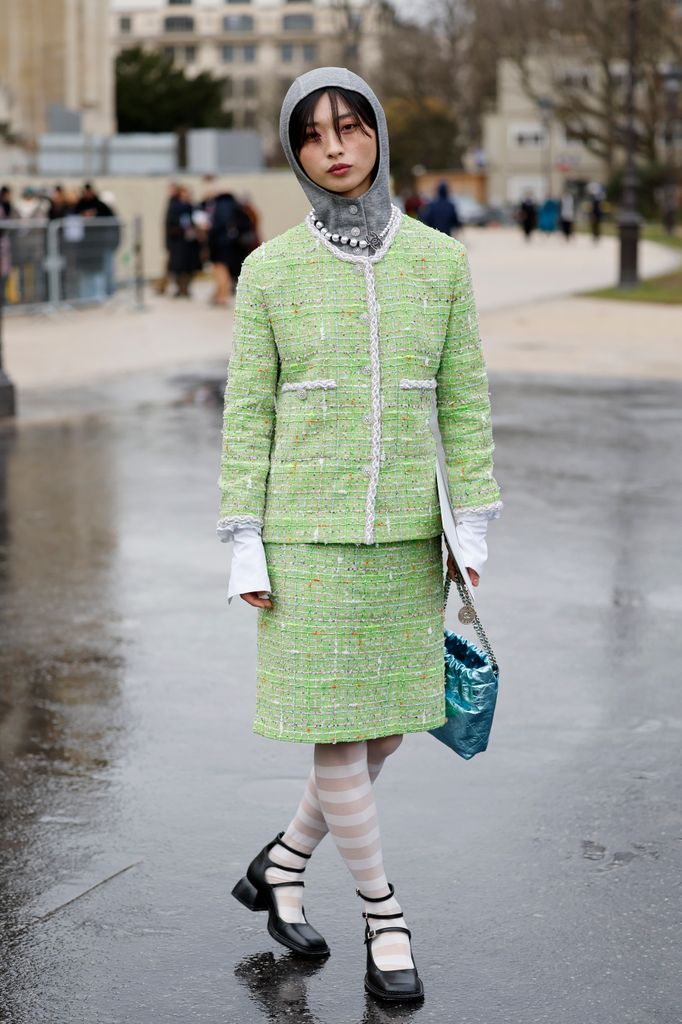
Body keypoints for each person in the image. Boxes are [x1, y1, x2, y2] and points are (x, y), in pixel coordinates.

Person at [217, 67, 502, 1004]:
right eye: (312, 135)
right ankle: (386, 916)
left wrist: (471, 517)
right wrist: (243, 539)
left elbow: (463, 401)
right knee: (337, 737)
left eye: (349, 127)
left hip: (410, 542)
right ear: (295, 153)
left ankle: (283, 864)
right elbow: (247, 411)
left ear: (377, 131)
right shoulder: (269, 271)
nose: (334, 148)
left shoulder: (440, 261)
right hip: (306, 540)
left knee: (383, 730)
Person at [166, 185, 202, 297]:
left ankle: (186, 288)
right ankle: (180, 288)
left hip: (190, 243)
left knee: (189, 267)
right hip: (178, 242)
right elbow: (170, 225)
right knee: (178, 267)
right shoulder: (174, 207)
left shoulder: (193, 207)